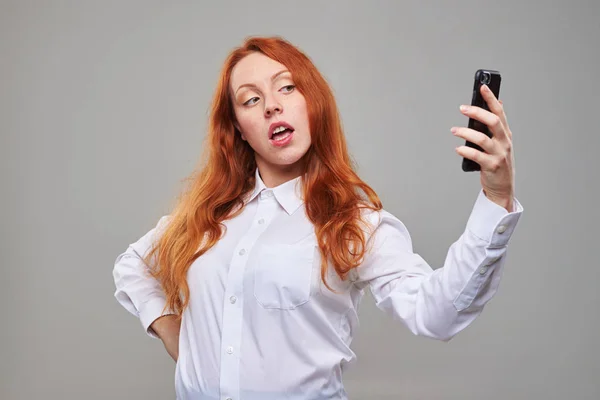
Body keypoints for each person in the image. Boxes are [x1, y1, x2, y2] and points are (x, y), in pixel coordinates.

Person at [112, 36, 524, 400]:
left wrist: (497, 195)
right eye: (251, 99)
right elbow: (133, 265)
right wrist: (174, 334)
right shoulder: (206, 215)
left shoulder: (352, 223)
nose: (272, 105)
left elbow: (440, 313)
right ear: (237, 128)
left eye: (287, 88)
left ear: (313, 103)